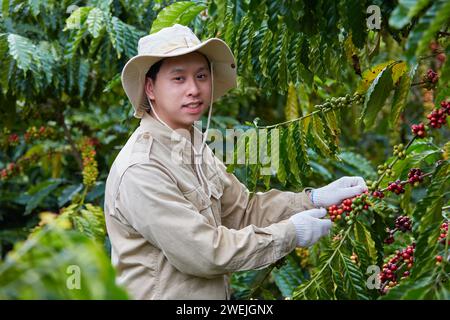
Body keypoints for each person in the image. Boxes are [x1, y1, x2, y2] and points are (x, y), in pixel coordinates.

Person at [104, 24, 367, 300]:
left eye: (201, 76)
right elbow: (203, 253)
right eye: (178, 79)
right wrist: (290, 233)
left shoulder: (192, 144)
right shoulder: (142, 168)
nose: (194, 89)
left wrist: (313, 199)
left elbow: (242, 211)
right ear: (150, 87)